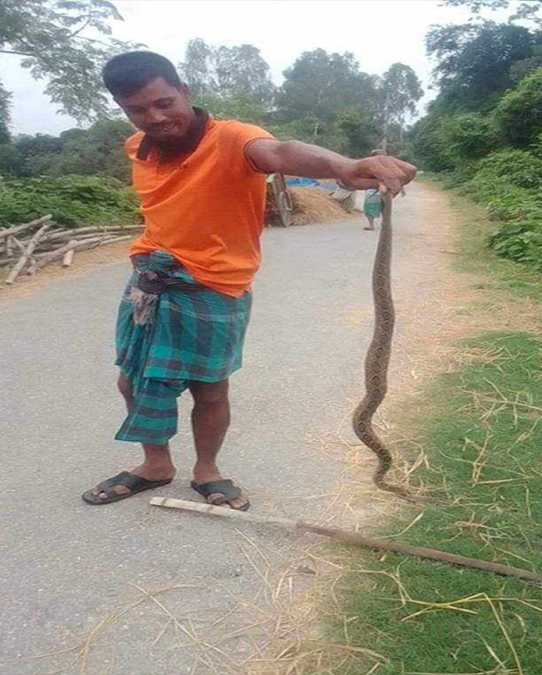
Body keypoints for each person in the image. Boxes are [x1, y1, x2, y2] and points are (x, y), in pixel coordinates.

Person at [81, 51, 416, 511]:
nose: (154, 117)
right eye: (137, 109)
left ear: (184, 92)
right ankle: (155, 465)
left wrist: (343, 166)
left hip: (216, 287)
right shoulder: (136, 146)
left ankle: (207, 470)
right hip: (150, 281)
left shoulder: (233, 138)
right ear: (123, 108)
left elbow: (279, 152)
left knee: (210, 389)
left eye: (163, 102)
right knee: (133, 381)